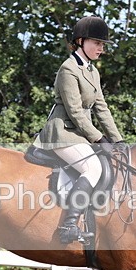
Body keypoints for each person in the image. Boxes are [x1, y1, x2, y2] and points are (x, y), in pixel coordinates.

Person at [33, 16, 123, 244]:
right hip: (61, 132)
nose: (101, 49)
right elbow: (74, 111)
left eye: (103, 45)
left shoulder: (93, 71)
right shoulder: (68, 69)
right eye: (97, 43)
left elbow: (101, 108)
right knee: (92, 168)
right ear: (81, 41)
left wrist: (118, 140)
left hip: (79, 132)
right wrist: (99, 138)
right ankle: (68, 225)